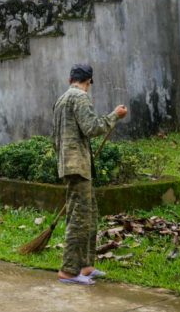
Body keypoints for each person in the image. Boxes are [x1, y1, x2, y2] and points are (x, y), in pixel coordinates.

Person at [52, 64, 128, 285]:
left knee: (89, 215)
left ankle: (86, 267)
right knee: (79, 219)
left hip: (71, 165)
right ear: (89, 82)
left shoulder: (61, 99)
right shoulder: (80, 98)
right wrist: (116, 115)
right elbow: (92, 128)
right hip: (77, 167)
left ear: (70, 79)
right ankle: (68, 271)